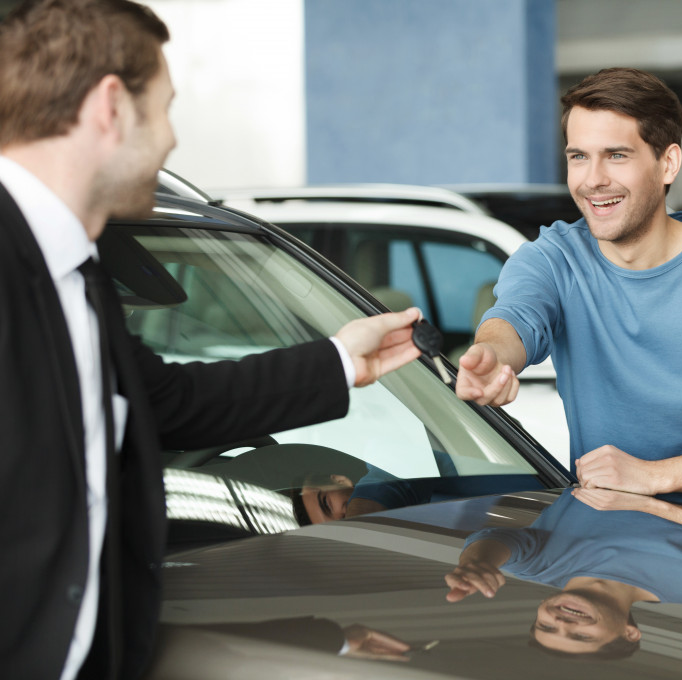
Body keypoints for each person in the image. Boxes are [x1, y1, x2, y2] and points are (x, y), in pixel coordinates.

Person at [0, 1, 424, 678]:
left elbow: (165, 402)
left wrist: (342, 359)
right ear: (111, 106)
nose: (171, 140)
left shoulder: (78, 275)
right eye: (165, 108)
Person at [455, 67, 682, 518]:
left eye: (616, 155)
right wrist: (493, 356)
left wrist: (652, 476)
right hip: (599, 550)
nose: (592, 179)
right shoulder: (555, 257)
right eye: (578, 157)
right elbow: (518, 316)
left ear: (668, 163)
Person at [443, 487, 682, 659]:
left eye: (547, 626)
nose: (564, 623)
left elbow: (493, 539)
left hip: (622, 426)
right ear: (630, 632)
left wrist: (478, 564)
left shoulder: (539, 564)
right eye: (580, 637)